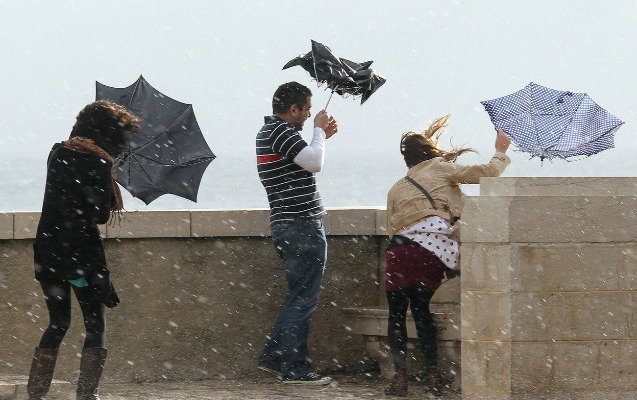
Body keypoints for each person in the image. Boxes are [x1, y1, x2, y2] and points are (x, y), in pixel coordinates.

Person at [383, 114, 511, 397]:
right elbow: (488, 173)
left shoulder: (397, 187)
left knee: (396, 316)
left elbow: (392, 227)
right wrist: (501, 151)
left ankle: (400, 378)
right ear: (431, 152)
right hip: (428, 251)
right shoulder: (441, 168)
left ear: (408, 160)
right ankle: (432, 376)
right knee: (421, 312)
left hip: (398, 252)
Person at [27, 100, 140, 400]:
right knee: (94, 325)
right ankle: (87, 395)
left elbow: (62, 198)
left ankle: (36, 394)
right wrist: (108, 181)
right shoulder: (99, 164)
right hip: (80, 257)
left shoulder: (57, 152)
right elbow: (100, 215)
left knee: (58, 323)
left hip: (49, 250)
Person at [256, 82, 338, 385]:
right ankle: (295, 369)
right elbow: (315, 163)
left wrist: (321, 137)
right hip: (301, 224)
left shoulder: (271, 133)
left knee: (297, 296)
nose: (308, 115)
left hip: (288, 224)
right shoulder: (280, 132)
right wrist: (318, 131)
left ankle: (275, 356)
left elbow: (307, 159)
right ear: (293, 109)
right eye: (306, 110)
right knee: (304, 299)